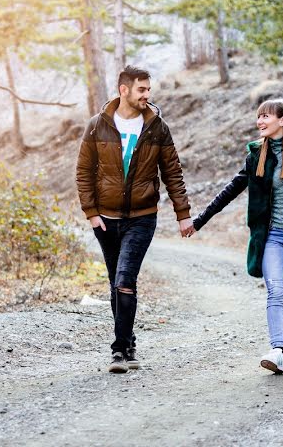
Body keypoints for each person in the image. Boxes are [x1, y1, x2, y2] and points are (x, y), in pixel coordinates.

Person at [187, 98, 283, 374]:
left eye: (266, 117)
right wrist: (199, 221)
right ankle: (277, 348)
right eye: (258, 117)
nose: (260, 122)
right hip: (272, 236)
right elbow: (230, 190)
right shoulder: (256, 156)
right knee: (276, 291)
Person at [76, 65, 194, 373]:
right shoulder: (97, 125)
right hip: (105, 218)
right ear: (124, 90)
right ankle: (128, 343)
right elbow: (84, 172)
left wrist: (183, 214)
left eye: (148, 90)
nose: (147, 96)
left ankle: (118, 351)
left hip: (142, 217)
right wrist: (91, 213)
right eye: (141, 90)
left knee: (125, 279)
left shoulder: (157, 127)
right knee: (116, 282)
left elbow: (173, 173)